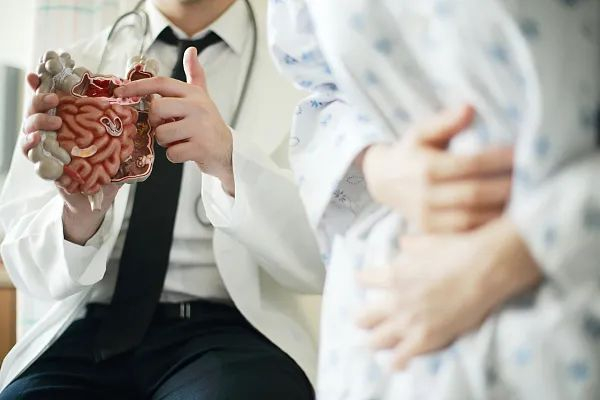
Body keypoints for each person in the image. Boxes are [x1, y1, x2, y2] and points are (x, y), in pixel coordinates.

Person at [269, 0, 599, 399]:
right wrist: (377, 165)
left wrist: (516, 249)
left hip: (568, 307)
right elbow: (318, 89)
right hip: (390, 331)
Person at [0, 0, 324, 398]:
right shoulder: (72, 73)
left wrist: (230, 162)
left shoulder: (307, 73)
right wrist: (77, 217)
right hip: (87, 332)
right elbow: (26, 270)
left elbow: (322, 261)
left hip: (230, 336)